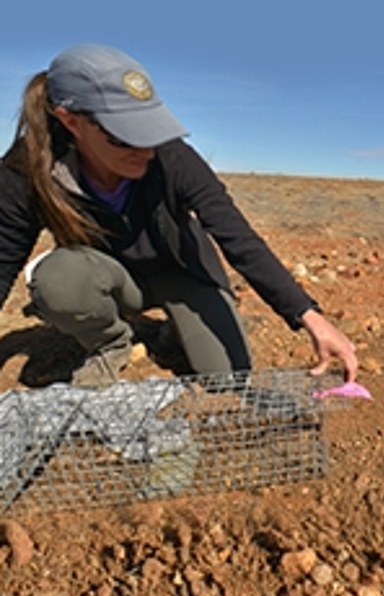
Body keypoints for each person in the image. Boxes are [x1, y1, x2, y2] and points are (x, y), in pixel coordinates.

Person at [0, 44, 358, 387]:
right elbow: (4, 259)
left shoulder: (172, 158)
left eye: (148, 129)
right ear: (71, 122)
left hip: (183, 272)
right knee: (59, 279)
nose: (145, 149)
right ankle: (111, 342)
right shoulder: (26, 172)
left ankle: (176, 326)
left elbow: (238, 237)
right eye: (124, 137)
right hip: (116, 281)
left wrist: (309, 317)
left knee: (227, 376)